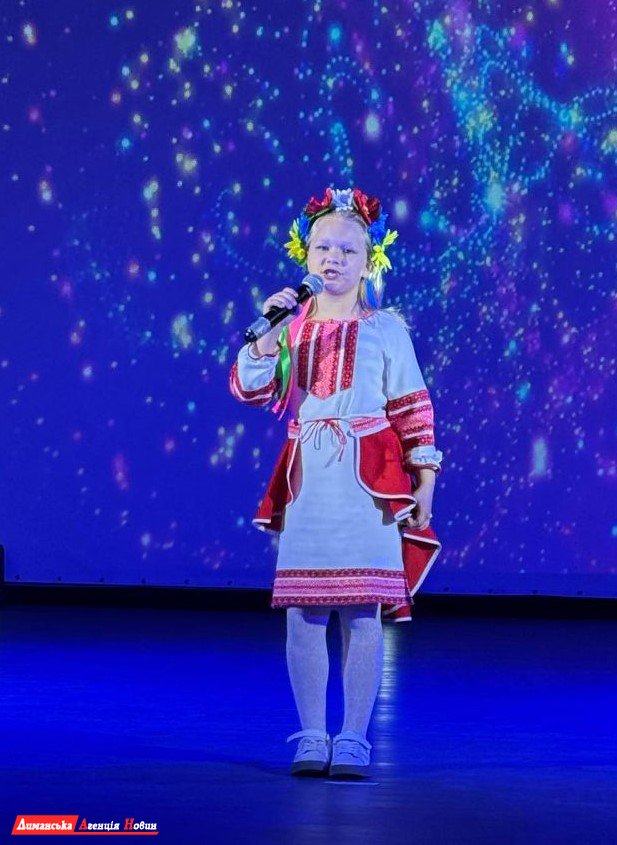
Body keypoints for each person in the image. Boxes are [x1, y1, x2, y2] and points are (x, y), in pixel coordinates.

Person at [229, 186, 443, 779]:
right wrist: (267, 335)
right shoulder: (291, 327)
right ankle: (311, 735)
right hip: (310, 480)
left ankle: (352, 737)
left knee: (361, 612)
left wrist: (424, 481)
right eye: (324, 247)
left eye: (348, 250)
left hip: (367, 482)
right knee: (303, 611)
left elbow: (413, 407)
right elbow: (250, 389)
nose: (334, 259)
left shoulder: (385, 329)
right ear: (306, 255)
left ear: (368, 261)